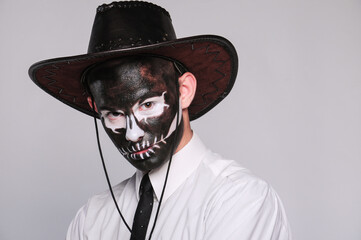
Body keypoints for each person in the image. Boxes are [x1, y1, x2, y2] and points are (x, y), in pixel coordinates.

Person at [29, 1, 292, 239]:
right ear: (95, 107)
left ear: (184, 91)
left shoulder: (239, 200)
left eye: (147, 104)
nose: (132, 134)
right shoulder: (92, 218)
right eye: (114, 114)